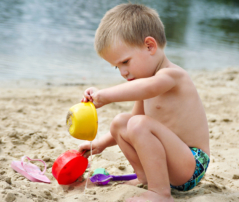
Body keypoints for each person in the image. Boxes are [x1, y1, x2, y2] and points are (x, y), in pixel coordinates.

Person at [78, 3, 210, 202]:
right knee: (122, 121)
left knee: (139, 124)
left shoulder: (171, 75)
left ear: (150, 46)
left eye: (125, 62)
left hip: (191, 164)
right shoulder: (145, 84)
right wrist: (100, 144)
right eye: (117, 68)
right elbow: (132, 121)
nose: (123, 72)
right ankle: (146, 178)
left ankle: (160, 193)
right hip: (169, 162)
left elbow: (148, 89)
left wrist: (105, 96)